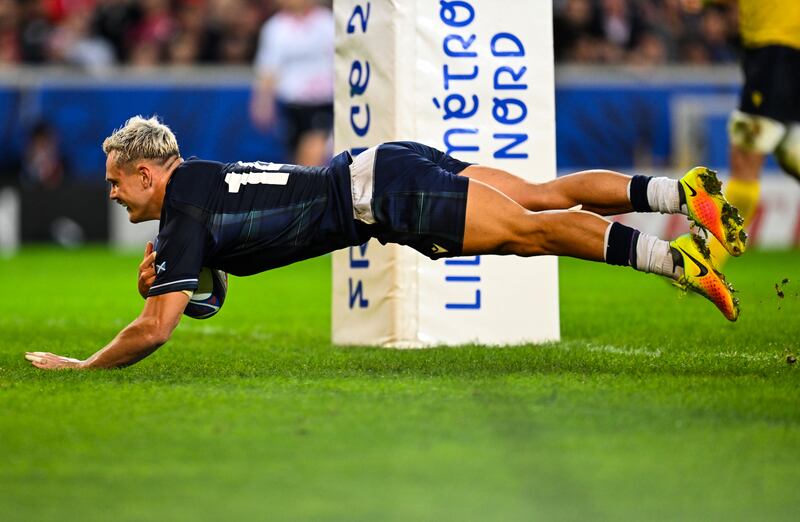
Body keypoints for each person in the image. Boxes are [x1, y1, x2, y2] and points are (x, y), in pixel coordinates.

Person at [25, 116, 746, 370]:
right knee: (544, 196)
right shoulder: (199, 183)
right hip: (382, 164)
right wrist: (186, 276)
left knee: (533, 232)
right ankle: (681, 195)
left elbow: (158, 329)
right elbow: (213, 279)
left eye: (121, 183)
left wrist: (83, 366)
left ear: (149, 172)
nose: (115, 194)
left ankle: (676, 258)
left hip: (381, 195)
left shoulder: (183, 212)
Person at [704, 0, 800, 262]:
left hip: (777, 46)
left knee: (745, 159)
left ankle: (706, 262)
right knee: (791, 151)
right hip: (778, 46)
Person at [249, 0, 333, 166]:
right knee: (295, 157)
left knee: (313, 148)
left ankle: (313, 189)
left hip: (321, 101)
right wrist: (262, 101)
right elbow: (268, 68)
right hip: (292, 103)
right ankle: (306, 190)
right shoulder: (275, 28)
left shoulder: (326, 23)